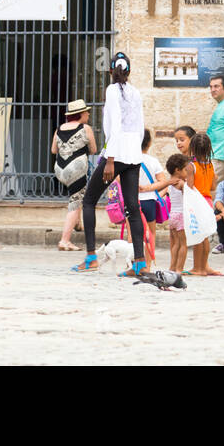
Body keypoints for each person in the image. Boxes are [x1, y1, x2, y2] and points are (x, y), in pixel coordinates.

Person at [73, 52, 147, 277]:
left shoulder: (112, 90)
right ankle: (139, 264)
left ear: (110, 72)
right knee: (133, 208)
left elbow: (114, 126)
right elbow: (140, 127)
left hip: (115, 155)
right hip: (133, 155)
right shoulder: (136, 92)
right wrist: (134, 152)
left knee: (88, 201)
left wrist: (110, 160)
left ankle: (91, 257)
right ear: (129, 71)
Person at [175, 126, 222, 276]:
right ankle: (204, 266)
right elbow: (213, 186)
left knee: (197, 236)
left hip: (196, 202)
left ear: (193, 149)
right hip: (207, 201)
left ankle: (198, 268)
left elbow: (190, 187)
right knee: (205, 236)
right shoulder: (210, 165)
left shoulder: (191, 166)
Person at [53, 98, 97, 252]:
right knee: (75, 201)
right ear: (81, 114)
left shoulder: (59, 128)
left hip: (60, 169)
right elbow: (93, 150)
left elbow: (53, 150)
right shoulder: (85, 128)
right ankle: (65, 240)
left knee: (76, 197)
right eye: (87, 112)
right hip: (76, 169)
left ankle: (77, 223)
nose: (88, 115)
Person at [138, 131, 171, 271]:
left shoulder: (128, 160)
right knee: (150, 234)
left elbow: (120, 180)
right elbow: (163, 181)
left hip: (133, 201)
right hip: (149, 201)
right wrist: (148, 188)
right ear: (150, 143)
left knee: (133, 234)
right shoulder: (153, 161)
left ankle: (135, 264)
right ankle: (148, 265)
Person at [164, 152, 190, 272]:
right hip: (181, 216)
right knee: (183, 244)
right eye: (185, 169)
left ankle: (172, 267)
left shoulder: (170, 183)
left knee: (175, 244)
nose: (187, 172)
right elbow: (188, 196)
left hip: (172, 215)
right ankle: (179, 269)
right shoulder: (180, 183)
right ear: (177, 170)